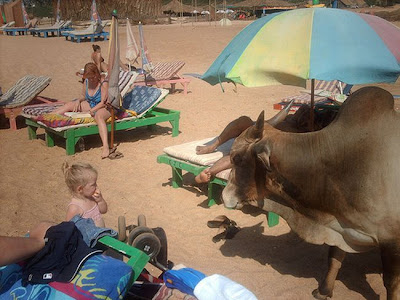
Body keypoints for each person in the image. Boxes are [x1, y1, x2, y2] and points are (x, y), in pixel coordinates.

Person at [53, 62, 121, 159]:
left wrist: (91, 111)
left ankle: (105, 146)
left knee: (99, 116)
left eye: (93, 77)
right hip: (92, 104)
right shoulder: (87, 81)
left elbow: (103, 102)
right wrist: (78, 101)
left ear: (97, 74)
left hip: (106, 106)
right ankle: (47, 117)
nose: (92, 80)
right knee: (70, 105)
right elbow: (83, 96)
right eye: (89, 78)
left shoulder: (103, 82)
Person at [63, 162, 108, 227]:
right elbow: (68, 229)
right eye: (93, 185)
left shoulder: (92, 197)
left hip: (101, 234)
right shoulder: (75, 208)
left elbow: (104, 211)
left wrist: (100, 201)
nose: (96, 186)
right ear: (80, 189)